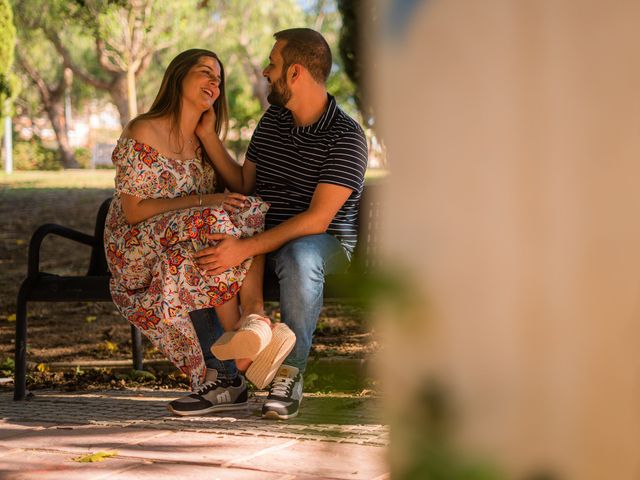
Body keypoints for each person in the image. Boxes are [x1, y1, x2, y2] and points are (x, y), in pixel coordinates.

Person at [170, 29, 369, 420]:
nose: (264, 71)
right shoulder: (274, 120)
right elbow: (245, 183)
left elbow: (316, 220)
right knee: (198, 246)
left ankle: (289, 374)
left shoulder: (347, 136)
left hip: (322, 245)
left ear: (295, 73)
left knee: (299, 254)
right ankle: (228, 379)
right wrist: (209, 138)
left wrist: (246, 247)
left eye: (272, 64)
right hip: (263, 237)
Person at [103, 49, 295, 415]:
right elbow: (133, 210)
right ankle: (244, 329)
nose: (214, 83)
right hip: (133, 250)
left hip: (181, 248)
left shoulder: (201, 140)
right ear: (179, 76)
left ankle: (240, 350)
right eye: (205, 72)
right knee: (213, 218)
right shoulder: (143, 129)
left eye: (219, 79)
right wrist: (203, 201)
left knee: (249, 209)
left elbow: (240, 192)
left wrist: (208, 137)